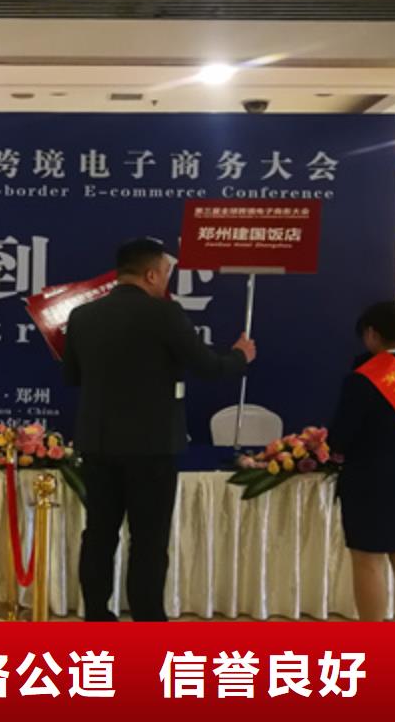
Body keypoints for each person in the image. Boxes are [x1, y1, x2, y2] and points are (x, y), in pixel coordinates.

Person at [63, 238, 256, 621]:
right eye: (166, 273)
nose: (167, 281)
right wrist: (240, 356)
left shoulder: (82, 316)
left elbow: (72, 376)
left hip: (97, 444)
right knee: (149, 540)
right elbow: (209, 367)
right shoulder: (165, 314)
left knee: (98, 534)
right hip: (151, 447)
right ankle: (148, 619)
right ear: (151, 274)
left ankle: (96, 616)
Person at [329, 301, 395, 621]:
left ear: (373, 334)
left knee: (369, 561)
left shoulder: (364, 378)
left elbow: (340, 437)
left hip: (371, 483)